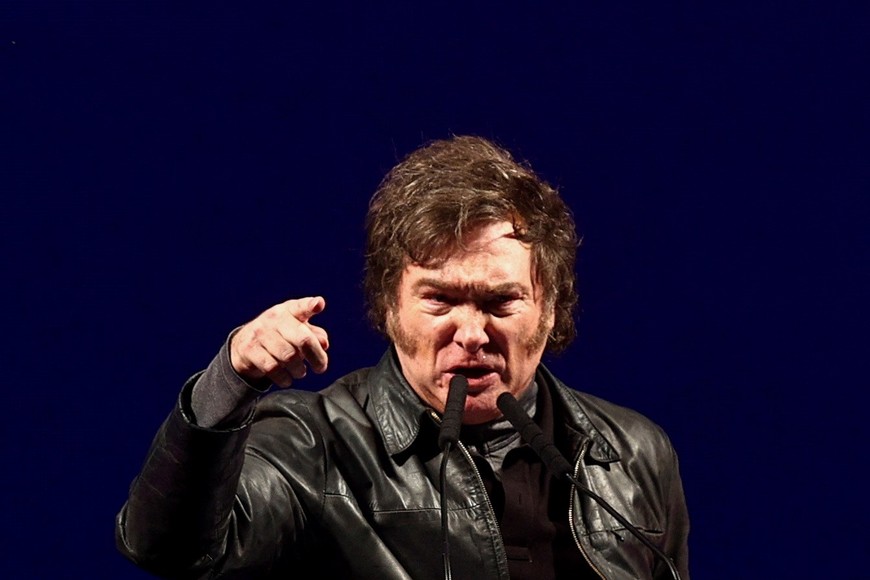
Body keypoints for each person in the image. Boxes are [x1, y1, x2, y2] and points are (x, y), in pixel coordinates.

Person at [116, 136, 690, 579]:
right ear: (389, 309)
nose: (471, 332)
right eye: (439, 299)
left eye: (501, 301)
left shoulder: (633, 452)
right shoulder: (311, 445)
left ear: (550, 310)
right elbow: (168, 549)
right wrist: (229, 383)